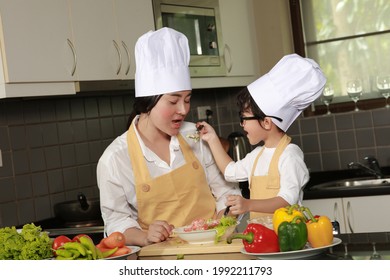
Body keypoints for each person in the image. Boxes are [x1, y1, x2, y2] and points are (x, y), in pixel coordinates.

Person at [96, 27, 241, 247]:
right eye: (173, 101)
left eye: (187, 99)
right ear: (148, 101)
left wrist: (224, 218)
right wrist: (144, 236)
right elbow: (116, 221)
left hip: (214, 250)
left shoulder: (195, 136)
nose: (183, 110)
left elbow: (226, 192)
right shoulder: (115, 159)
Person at [198, 54, 326, 219]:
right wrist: (212, 139)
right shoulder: (257, 155)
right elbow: (230, 171)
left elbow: (287, 199)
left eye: (244, 118)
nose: (242, 124)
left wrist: (248, 204)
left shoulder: (290, 155)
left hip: (288, 239)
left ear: (266, 122)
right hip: (260, 238)